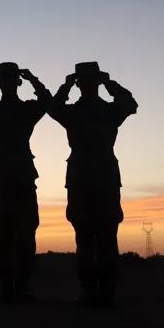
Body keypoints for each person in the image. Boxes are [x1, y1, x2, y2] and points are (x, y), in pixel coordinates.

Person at [48, 62, 137, 305]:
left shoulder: (82, 113)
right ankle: (98, 292)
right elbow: (129, 103)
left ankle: (99, 292)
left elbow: (53, 107)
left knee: (95, 238)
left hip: (88, 179)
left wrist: (67, 85)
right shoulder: (107, 111)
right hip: (94, 179)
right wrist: (108, 83)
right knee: (95, 238)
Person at [0, 63, 50, 301]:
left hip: (12, 177)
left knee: (21, 232)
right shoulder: (22, 110)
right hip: (7, 177)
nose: (6, 83)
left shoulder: (3, 111)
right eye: (5, 79)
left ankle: (19, 285)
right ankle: (9, 285)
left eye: (8, 79)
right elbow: (47, 101)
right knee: (3, 232)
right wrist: (32, 79)